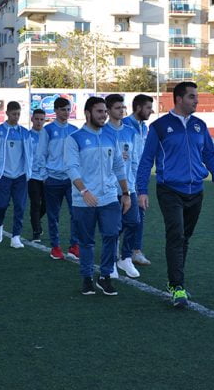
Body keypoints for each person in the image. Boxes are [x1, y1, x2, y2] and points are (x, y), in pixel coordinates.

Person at [136, 82, 214, 308]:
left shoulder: (199, 125)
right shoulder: (159, 127)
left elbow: (209, 153)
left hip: (196, 190)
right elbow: (146, 160)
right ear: (178, 99)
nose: (196, 101)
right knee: (176, 235)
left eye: (196, 97)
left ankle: (175, 280)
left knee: (184, 238)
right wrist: (141, 190)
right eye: (192, 97)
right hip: (170, 190)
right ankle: (178, 286)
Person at [66, 96, 130, 296]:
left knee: (111, 234)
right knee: (86, 242)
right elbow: (72, 168)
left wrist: (126, 193)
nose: (104, 115)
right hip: (83, 199)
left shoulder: (111, 137)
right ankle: (86, 278)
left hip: (109, 197)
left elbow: (119, 167)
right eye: (99, 111)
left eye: (105, 111)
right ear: (88, 113)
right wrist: (84, 191)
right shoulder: (74, 138)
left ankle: (105, 276)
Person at [35, 97, 80, 261]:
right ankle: (55, 247)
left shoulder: (75, 130)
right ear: (55, 111)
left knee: (76, 213)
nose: (66, 113)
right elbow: (40, 154)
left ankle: (74, 246)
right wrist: (44, 176)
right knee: (53, 215)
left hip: (70, 180)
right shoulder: (48, 130)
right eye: (63, 110)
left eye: (68, 109)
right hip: (52, 179)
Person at [104, 94, 141, 279]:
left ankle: (125, 257)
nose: (121, 111)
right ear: (109, 110)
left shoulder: (131, 132)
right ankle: (111, 262)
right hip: (109, 189)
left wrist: (134, 184)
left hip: (129, 188)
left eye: (122, 107)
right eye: (117, 108)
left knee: (134, 222)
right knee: (113, 228)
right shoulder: (102, 132)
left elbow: (135, 161)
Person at [0, 101, 32, 247]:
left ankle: (16, 237)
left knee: (20, 206)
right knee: (2, 205)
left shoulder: (24, 132)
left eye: (18, 114)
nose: (16, 117)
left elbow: (29, 154)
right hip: (3, 175)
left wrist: (28, 172)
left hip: (20, 175)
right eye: (14, 114)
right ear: (7, 113)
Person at [122, 93, 154, 267]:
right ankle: (118, 249)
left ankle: (135, 251)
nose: (151, 111)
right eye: (148, 108)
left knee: (139, 214)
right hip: (124, 180)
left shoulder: (144, 127)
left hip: (139, 178)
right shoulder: (125, 125)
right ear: (139, 108)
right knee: (124, 216)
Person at [28, 109, 47, 241]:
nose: (39, 122)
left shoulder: (48, 135)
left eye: (42, 119)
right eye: (37, 119)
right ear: (32, 119)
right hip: (32, 176)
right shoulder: (27, 136)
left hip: (46, 176)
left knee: (46, 205)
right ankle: (36, 231)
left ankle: (36, 220)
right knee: (35, 203)